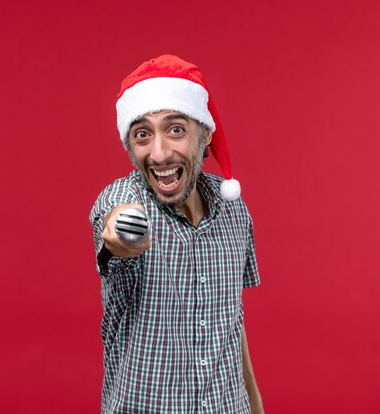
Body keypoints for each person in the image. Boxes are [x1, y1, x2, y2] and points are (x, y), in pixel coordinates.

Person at [90, 54, 264, 414]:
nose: (159, 153)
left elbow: (232, 317)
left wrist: (255, 404)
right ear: (129, 147)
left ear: (205, 134)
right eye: (142, 134)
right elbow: (116, 225)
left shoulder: (234, 209)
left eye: (175, 129)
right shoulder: (123, 199)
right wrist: (124, 231)